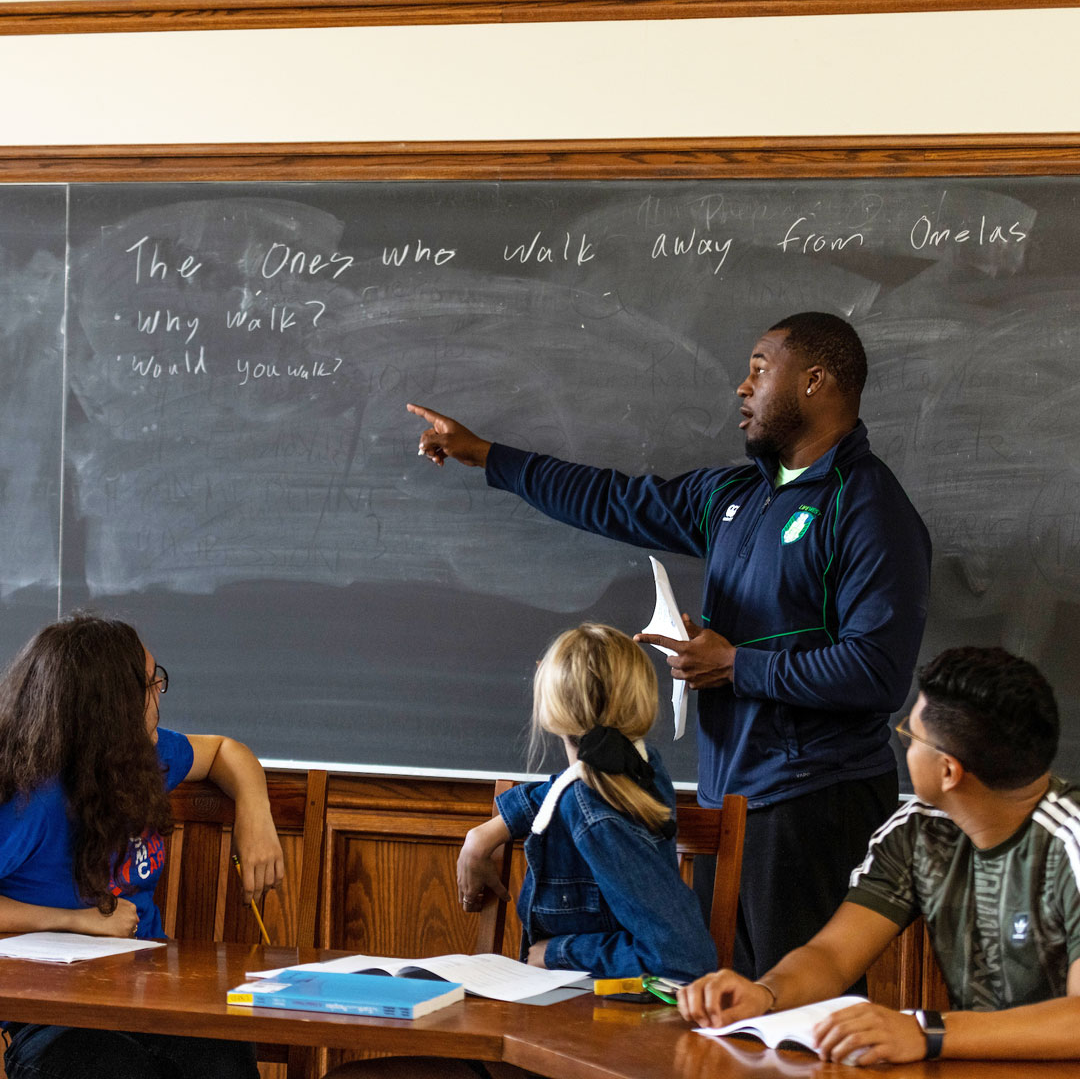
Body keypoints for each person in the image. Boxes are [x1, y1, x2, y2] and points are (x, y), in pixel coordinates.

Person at [408, 311, 932, 979]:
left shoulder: (870, 509)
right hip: (728, 797)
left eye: (759, 369)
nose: (741, 389)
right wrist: (488, 456)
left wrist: (736, 664)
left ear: (815, 381)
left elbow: (878, 673)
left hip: (812, 802)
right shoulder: (739, 495)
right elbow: (615, 499)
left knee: (793, 1017)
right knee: (722, 1005)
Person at [677, 645, 1080, 1065]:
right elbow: (833, 956)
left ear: (948, 771)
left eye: (910, 733)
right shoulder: (918, 830)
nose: (901, 740)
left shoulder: (1071, 838)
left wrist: (927, 1032)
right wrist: (766, 993)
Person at [0, 612, 285, 1079]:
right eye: (151, 685)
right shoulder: (31, 797)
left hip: (155, 993)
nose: (159, 696)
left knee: (222, 1060)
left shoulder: (142, 757)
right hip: (55, 1014)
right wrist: (77, 922)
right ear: (110, 709)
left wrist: (255, 811)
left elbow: (222, 751)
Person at [458, 623, 717, 981]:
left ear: (551, 704)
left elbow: (684, 959)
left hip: (597, 1012)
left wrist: (558, 953)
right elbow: (566, 784)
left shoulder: (593, 812)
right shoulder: (639, 764)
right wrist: (489, 830)